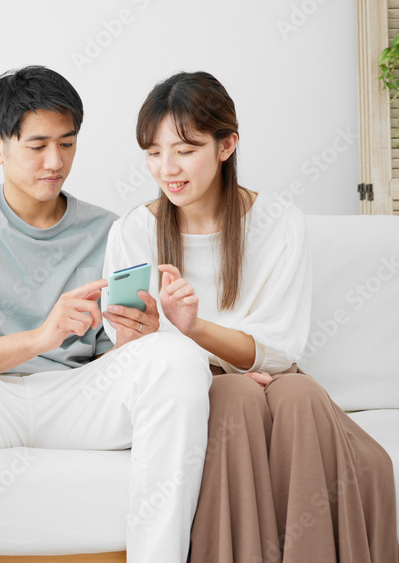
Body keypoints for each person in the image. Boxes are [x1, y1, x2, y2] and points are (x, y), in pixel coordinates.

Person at [0, 65, 212, 563]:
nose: (55, 162)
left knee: (177, 357)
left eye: (67, 143)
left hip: (79, 401)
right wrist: (42, 337)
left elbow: (117, 365)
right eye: (37, 146)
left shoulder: (109, 229)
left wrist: (134, 341)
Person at [102, 70, 399, 562]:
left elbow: (280, 350)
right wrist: (147, 335)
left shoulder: (279, 224)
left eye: (185, 149)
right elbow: (129, 354)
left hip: (278, 380)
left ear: (227, 145)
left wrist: (194, 327)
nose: (167, 169)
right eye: (153, 153)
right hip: (191, 390)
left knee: (303, 395)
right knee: (236, 395)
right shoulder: (134, 231)